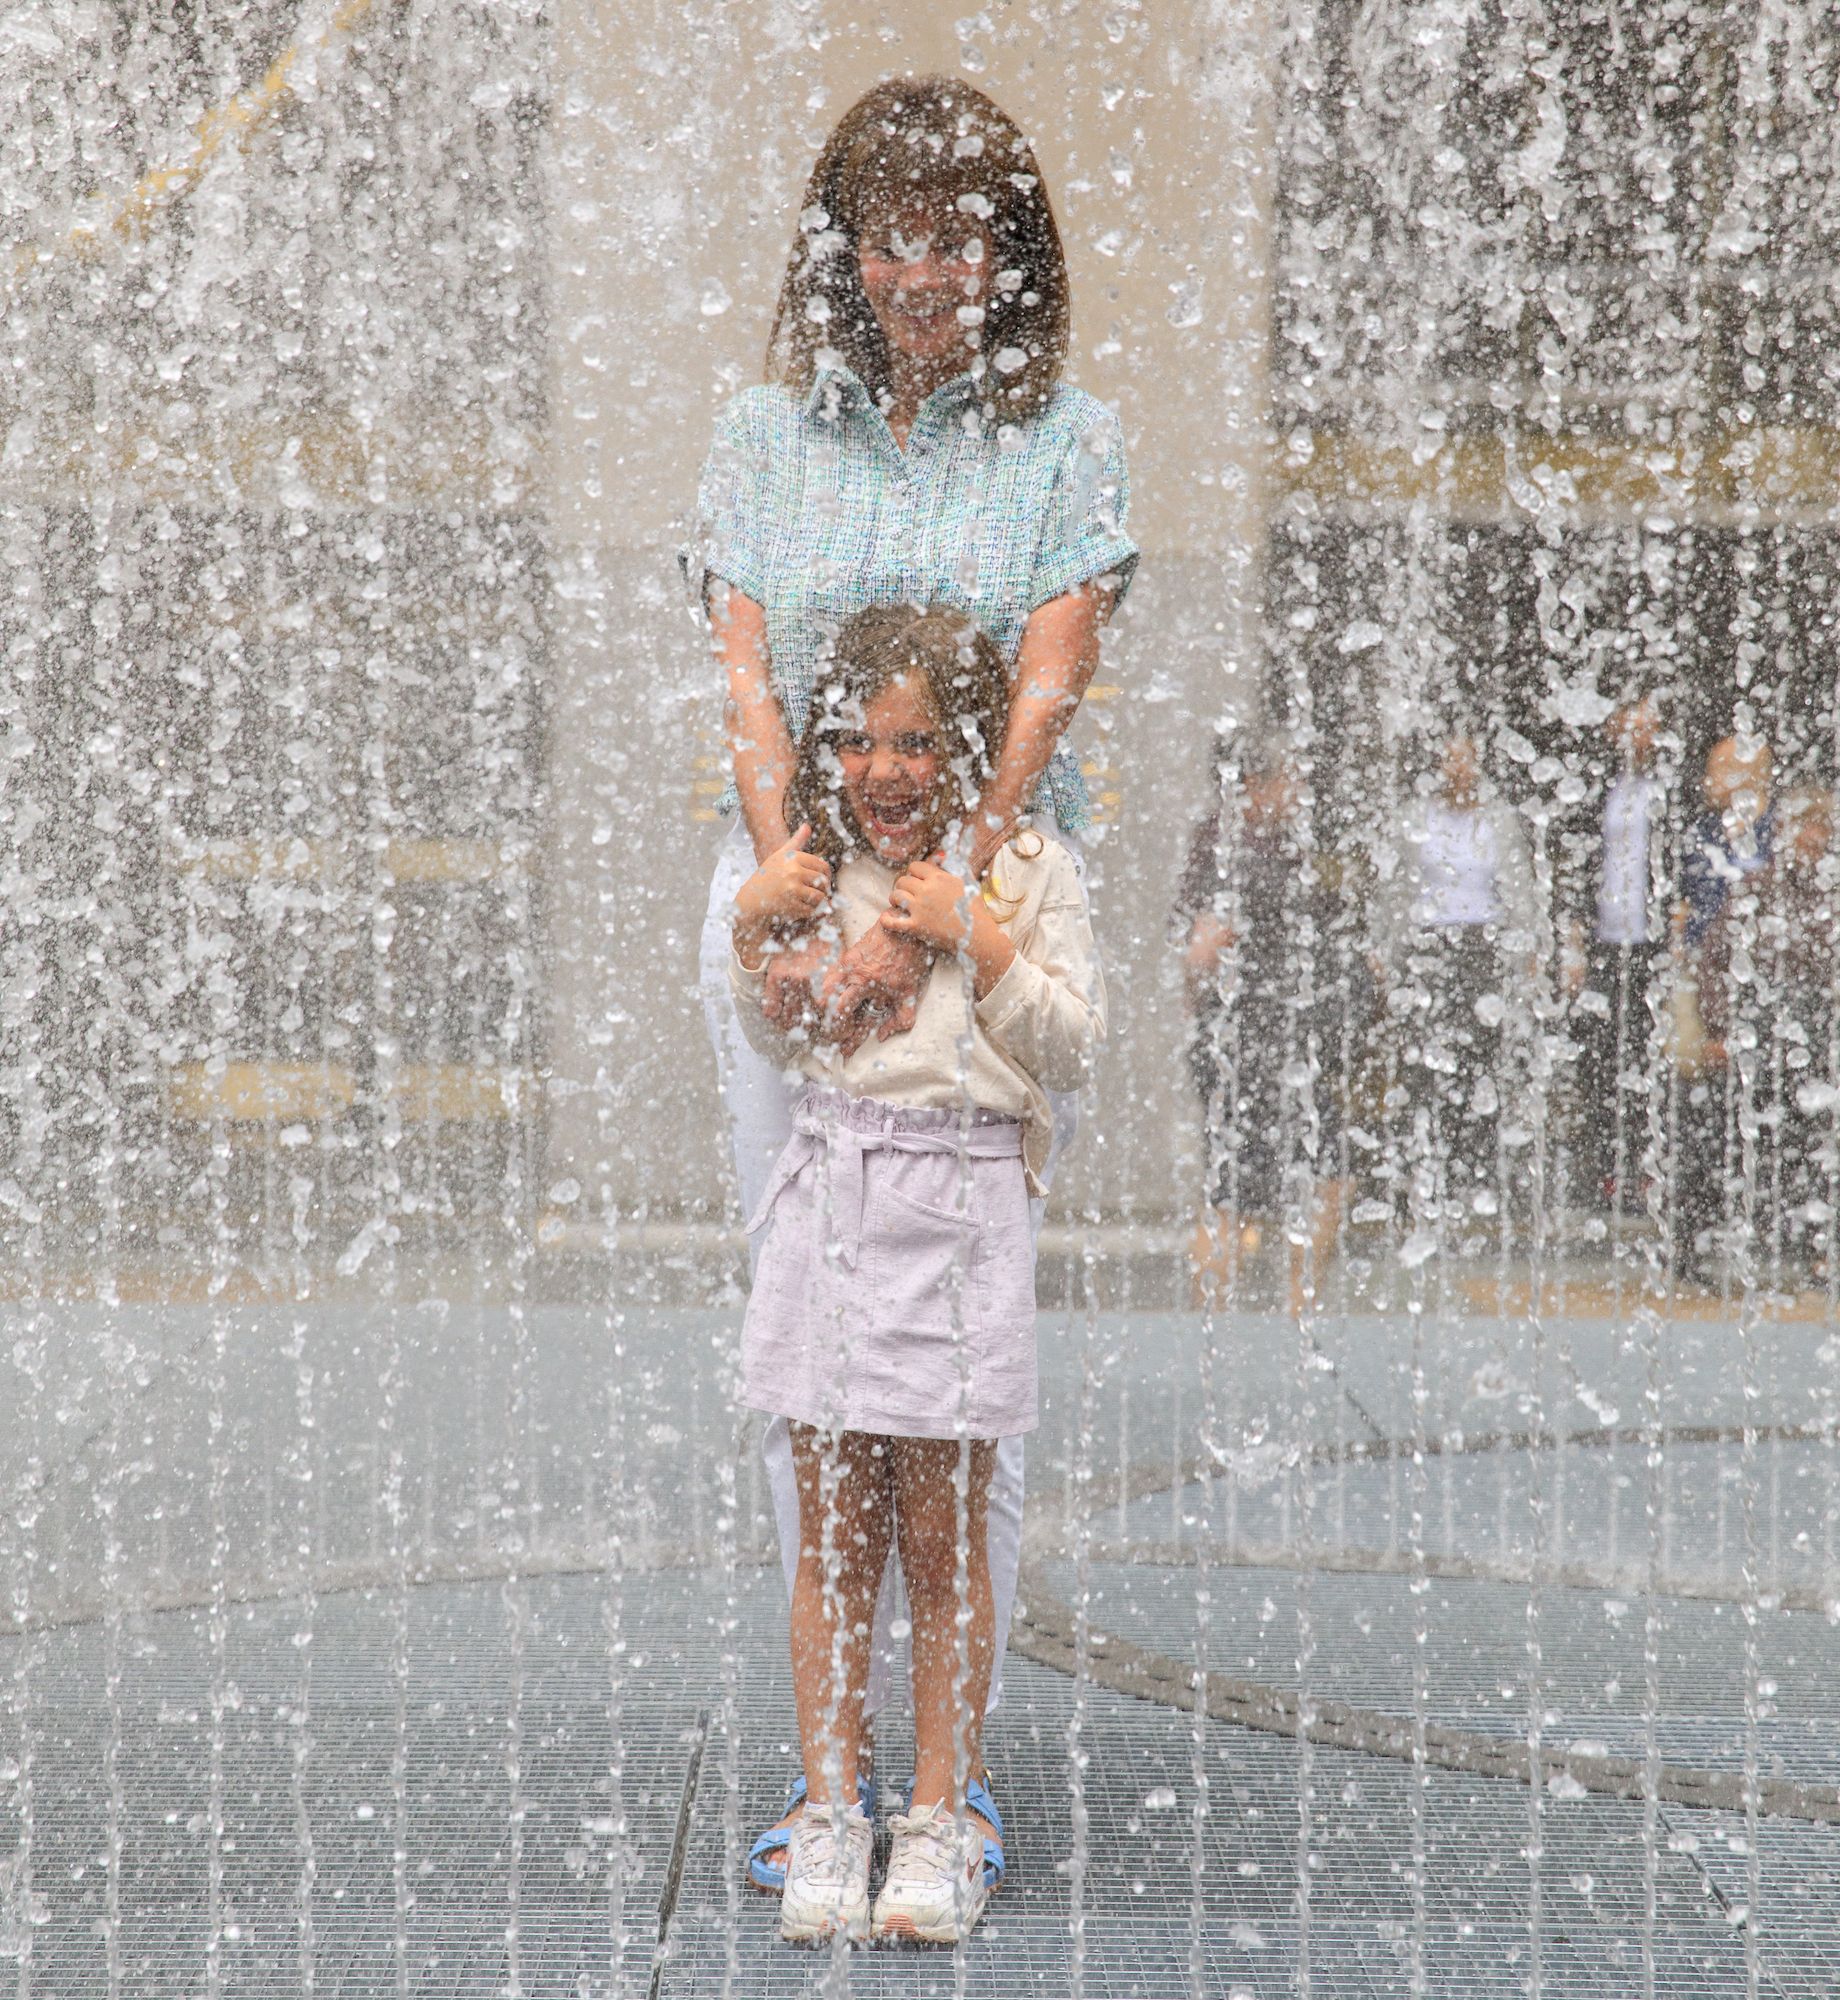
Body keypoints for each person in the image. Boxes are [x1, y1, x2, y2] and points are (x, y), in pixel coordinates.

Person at [687, 75, 1137, 1895]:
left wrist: (932, 901)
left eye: (959, 238)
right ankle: (830, 1775)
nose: (925, 273)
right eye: (894, 238)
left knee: (963, 1345)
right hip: (789, 878)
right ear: (846, 251)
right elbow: (743, 689)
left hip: (988, 892)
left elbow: (1044, 690)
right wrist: (802, 907)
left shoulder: (1065, 437)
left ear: (1005, 251)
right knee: (814, 1318)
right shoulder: (757, 432)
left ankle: (951, 1777)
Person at [727, 604, 1104, 1943]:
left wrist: (981, 941)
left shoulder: (1029, 872)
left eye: (919, 740)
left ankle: (937, 1817)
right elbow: (783, 1042)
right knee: (833, 1540)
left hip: (960, 1214)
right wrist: (750, 948)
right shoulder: (812, 874)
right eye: (862, 740)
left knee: (941, 1543)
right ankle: (835, 1806)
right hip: (835, 1203)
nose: (887, 768)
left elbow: (1066, 1047)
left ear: (970, 749)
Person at [1173, 738, 1372, 1315]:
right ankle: (1270, 1301)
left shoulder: (1267, 842)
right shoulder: (1225, 842)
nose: (1298, 793)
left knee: (1246, 1177)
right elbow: (1199, 944)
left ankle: (1254, 1303)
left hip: (1267, 1033)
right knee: (1253, 1180)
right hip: (1251, 1035)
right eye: (1288, 781)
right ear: (1256, 787)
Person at [1377, 729, 1541, 1212]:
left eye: (1465, 759)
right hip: (1426, 944)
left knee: (1482, 1060)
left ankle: (1478, 1170)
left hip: (1482, 943)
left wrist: (1529, 943)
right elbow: (1392, 886)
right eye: (1449, 759)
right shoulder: (1414, 818)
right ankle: (1423, 1171)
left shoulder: (1498, 820)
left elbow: (1519, 882)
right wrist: (1383, 946)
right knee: (1423, 1058)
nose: (1458, 769)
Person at [1674, 733, 1776, 1284]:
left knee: (1764, 1111)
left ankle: (1767, 1236)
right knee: (1699, 1110)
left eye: (1722, 769)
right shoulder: (1700, 831)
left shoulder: (1778, 829)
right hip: (1704, 987)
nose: (1711, 780)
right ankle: (1692, 1242)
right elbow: (1685, 902)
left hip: (1764, 990)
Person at [1563, 696, 1667, 1209]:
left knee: (1650, 1050)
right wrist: (1575, 938)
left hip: (1653, 940)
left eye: (1647, 727)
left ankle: (1652, 1169)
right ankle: (1605, 1171)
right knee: (1599, 1056)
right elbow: (1578, 860)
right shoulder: (1596, 788)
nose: (1637, 737)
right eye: (1629, 727)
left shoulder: (1671, 787)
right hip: (1606, 939)